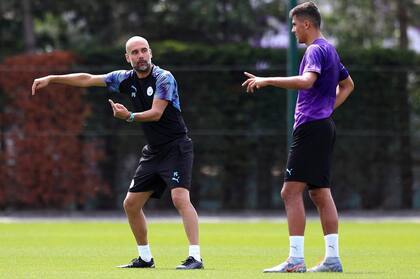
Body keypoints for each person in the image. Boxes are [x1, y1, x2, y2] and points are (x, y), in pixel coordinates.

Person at [32, 36, 203, 270]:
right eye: (135, 52)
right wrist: (52, 78)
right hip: (154, 152)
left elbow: (156, 113)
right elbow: (88, 79)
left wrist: (129, 116)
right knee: (131, 204)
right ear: (127, 57)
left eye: (144, 51)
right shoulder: (124, 78)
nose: (140, 56)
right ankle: (145, 258)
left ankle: (195, 257)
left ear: (151, 53)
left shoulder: (164, 78)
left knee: (179, 198)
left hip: (177, 147)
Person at [242, 1, 354, 273]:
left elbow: (306, 81)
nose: (293, 30)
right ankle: (332, 259)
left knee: (290, 191)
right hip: (323, 126)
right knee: (319, 193)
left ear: (306, 24)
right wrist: (327, 108)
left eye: (294, 25)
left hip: (311, 128)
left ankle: (295, 260)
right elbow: (348, 85)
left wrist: (267, 80)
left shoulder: (315, 50)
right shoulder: (330, 49)